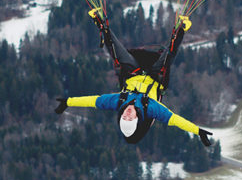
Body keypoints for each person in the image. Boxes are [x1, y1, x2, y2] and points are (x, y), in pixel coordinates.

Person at [55, 9, 213, 147]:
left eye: (124, 116)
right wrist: (197, 131)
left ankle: (100, 20)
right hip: (154, 77)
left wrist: (68, 102)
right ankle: (182, 28)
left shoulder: (119, 102)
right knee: (167, 57)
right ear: (136, 120)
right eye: (130, 118)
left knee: (115, 51)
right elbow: (175, 120)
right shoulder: (150, 108)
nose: (128, 114)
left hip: (133, 72)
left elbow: (93, 101)